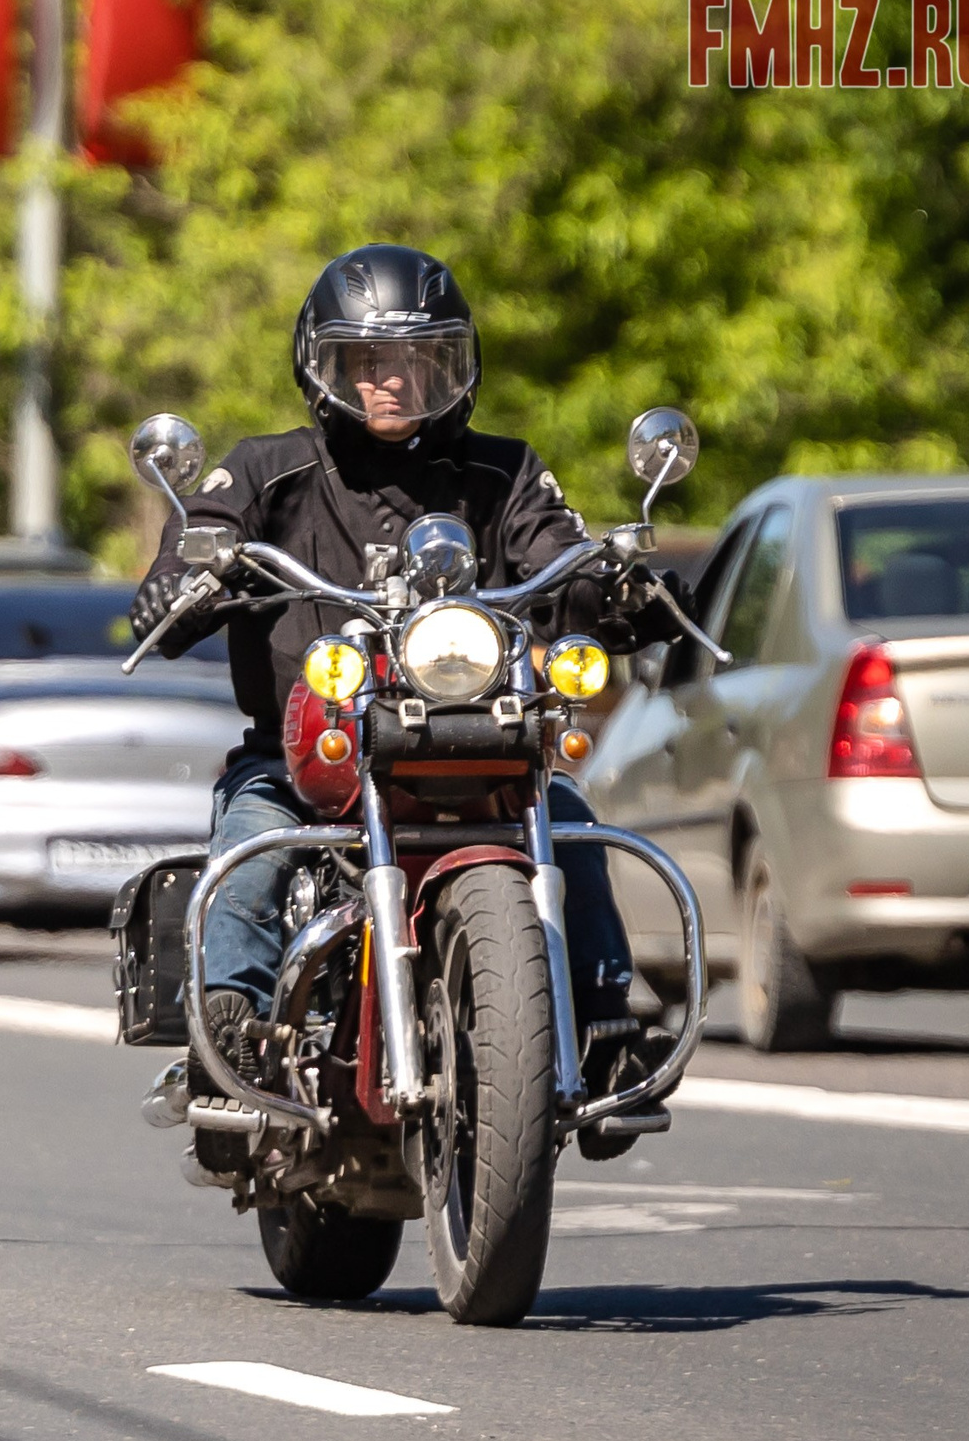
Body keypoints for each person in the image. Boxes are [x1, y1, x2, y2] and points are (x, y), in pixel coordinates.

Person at [129, 245, 693, 1138]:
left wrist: (618, 586)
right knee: (255, 835)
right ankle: (230, 1029)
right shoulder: (268, 470)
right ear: (325, 365)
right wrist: (181, 578)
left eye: (419, 360)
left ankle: (609, 1018)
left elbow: (555, 554)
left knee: (573, 824)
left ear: (455, 366)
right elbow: (206, 531)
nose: (394, 382)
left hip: (476, 736)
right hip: (310, 752)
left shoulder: (503, 474)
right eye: (369, 361)